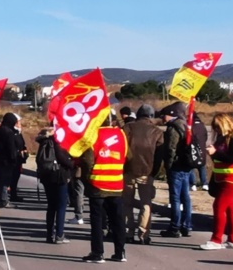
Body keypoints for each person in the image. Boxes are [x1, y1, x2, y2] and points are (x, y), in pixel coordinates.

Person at [78, 119, 128, 263]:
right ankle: (120, 252)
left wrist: (87, 178)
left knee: (97, 221)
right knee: (117, 220)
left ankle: (97, 252)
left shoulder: (93, 135)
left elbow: (87, 161)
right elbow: (127, 156)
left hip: (98, 183)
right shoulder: (121, 134)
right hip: (117, 183)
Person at [200, 113, 233, 250]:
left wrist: (215, 153)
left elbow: (232, 158)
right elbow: (219, 159)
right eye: (214, 127)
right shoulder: (221, 139)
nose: (216, 129)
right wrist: (212, 154)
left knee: (218, 207)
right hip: (223, 178)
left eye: (217, 126)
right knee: (230, 209)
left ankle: (216, 240)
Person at [122, 104, 163, 244]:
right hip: (147, 172)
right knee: (146, 203)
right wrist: (155, 172)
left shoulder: (127, 128)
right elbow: (159, 156)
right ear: (151, 117)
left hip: (127, 170)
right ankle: (143, 234)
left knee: (126, 202)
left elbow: (121, 148)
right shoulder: (157, 132)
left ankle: (128, 232)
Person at [160, 102, 194, 238]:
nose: (162, 118)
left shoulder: (173, 128)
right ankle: (187, 225)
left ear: (171, 115)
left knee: (175, 198)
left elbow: (171, 149)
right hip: (186, 165)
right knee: (185, 197)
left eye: (164, 115)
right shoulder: (186, 125)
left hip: (176, 166)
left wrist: (168, 165)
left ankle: (175, 227)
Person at [35, 128, 74, 244]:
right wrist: (72, 164)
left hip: (46, 177)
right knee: (61, 206)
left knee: (51, 206)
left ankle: (49, 234)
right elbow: (62, 159)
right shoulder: (57, 142)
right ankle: (59, 234)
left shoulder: (43, 142)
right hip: (59, 176)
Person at [0, 113, 20, 208]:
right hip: (6, 160)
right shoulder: (8, 132)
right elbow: (11, 147)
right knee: (5, 181)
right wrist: (14, 159)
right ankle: (3, 200)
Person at [10, 113, 28, 202]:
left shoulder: (18, 132)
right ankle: (11, 194)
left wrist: (24, 149)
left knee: (16, 177)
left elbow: (22, 143)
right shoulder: (12, 132)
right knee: (13, 177)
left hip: (19, 159)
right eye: (18, 122)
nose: (20, 124)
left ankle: (13, 193)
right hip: (14, 159)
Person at [189, 113, 209, 191]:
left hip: (193, 149)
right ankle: (204, 183)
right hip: (202, 149)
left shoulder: (191, 127)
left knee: (191, 167)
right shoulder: (202, 126)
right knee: (202, 166)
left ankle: (192, 184)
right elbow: (206, 137)